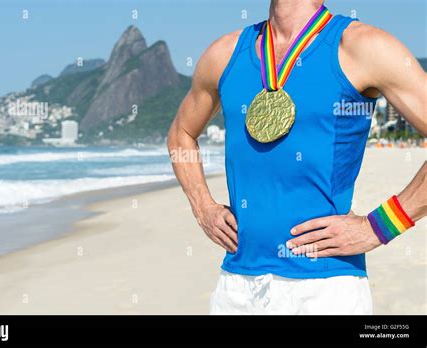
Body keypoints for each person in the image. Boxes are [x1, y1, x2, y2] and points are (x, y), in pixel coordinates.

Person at [167, 0, 426, 314]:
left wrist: (378, 227)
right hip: (237, 285)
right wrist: (203, 208)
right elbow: (181, 133)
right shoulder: (223, 54)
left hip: (326, 287)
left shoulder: (362, 46)